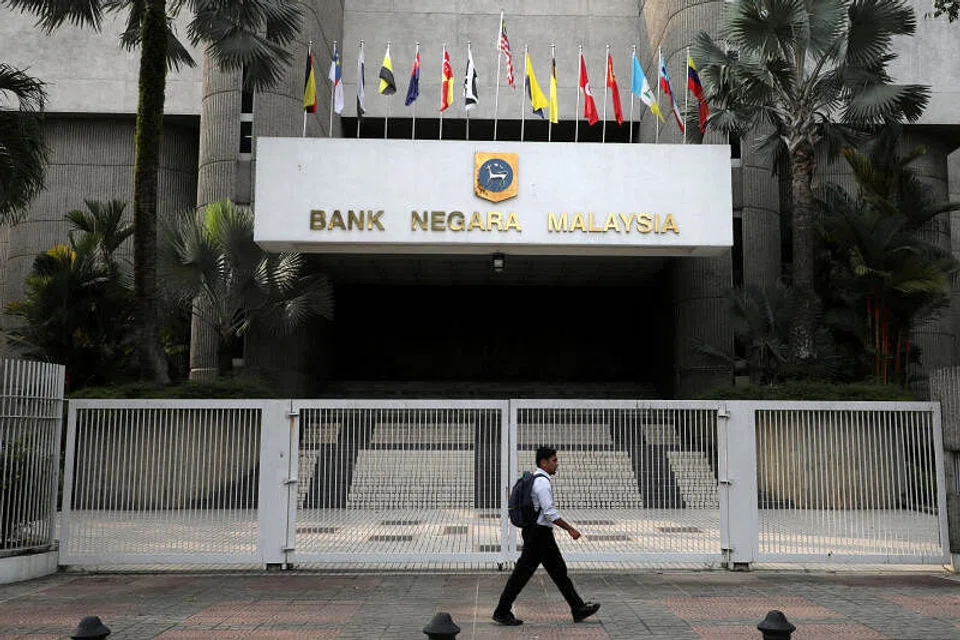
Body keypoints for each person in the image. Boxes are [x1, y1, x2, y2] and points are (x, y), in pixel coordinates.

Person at [492, 446, 601, 626]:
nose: (557, 464)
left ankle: (578, 607)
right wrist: (570, 529)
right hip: (539, 535)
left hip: (539, 534)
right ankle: (501, 611)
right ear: (544, 462)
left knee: (558, 571)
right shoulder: (542, 483)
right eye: (554, 460)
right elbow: (550, 513)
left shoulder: (539, 480)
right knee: (522, 574)